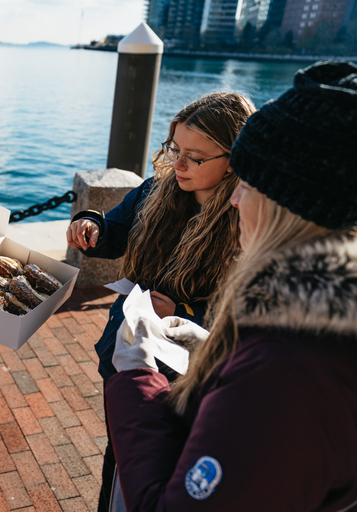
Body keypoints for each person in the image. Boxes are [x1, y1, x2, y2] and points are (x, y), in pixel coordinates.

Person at [106, 61, 357, 510]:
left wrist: (136, 377)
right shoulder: (315, 323)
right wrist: (214, 351)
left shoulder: (287, 366)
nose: (236, 197)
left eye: (250, 184)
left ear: (289, 205)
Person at [66, 92, 255, 509]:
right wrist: (89, 225)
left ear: (236, 157)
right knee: (119, 459)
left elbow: (246, 319)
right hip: (127, 349)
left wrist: (183, 315)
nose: (179, 165)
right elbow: (114, 230)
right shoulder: (156, 189)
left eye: (195, 156)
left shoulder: (250, 219)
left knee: (167, 465)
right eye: (174, 149)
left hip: (188, 375)